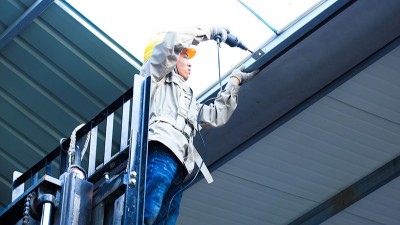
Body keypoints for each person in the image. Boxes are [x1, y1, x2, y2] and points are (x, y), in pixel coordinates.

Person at [140, 26, 259, 225]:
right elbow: (173, 41)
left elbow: (215, 115)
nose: (190, 63)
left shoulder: (188, 100)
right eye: (185, 56)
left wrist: (234, 82)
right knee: (147, 212)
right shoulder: (155, 77)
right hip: (163, 150)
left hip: (180, 163)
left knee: (164, 220)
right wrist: (210, 32)